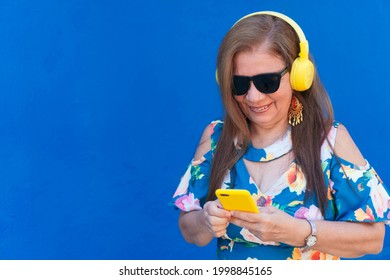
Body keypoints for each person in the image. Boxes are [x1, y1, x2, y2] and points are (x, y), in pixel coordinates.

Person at [170, 11, 390, 260]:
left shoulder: (330, 140)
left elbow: (374, 238)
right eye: (239, 84)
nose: (253, 97)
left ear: (299, 76)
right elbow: (190, 231)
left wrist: (300, 232)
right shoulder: (215, 138)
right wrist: (205, 221)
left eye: (267, 82)